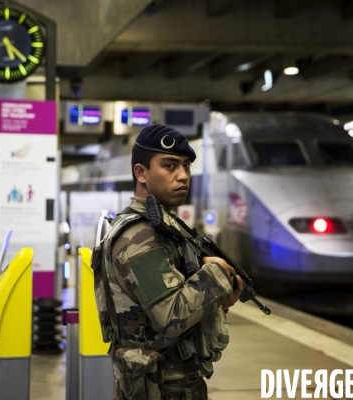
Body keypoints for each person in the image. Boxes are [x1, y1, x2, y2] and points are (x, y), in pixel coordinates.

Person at [96, 124, 244, 400]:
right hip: (160, 391)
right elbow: (172, 316)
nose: (183, 176)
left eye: (186, 166)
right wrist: (218, 275)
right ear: (141, 173)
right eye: (170, 166)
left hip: (175, 387)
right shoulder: (137, 237)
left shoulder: (162, 229)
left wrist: (219, 299)